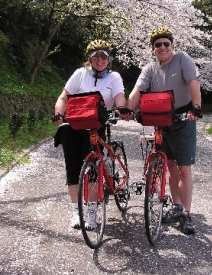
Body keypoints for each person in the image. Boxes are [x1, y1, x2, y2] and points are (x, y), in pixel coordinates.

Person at [126, 27, 202, 235]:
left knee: (184, 168)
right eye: (157, 44)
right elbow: (137, 91)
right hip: (162, 120)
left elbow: (193, 83)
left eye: (165, 44)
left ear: (172, 46)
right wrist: (127, 109)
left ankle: (186, 214)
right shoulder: (150, 69)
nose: (162, 47)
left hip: (183, 119)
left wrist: (196, 108)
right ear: (153, 49)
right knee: (169, 166)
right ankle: (176, 207)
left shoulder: (182, 59)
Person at [53, 39, 127, 229]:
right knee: (73, 169)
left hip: (96, 126)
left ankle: (92, 215)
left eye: (103, 56)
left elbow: (119, 97)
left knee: (93, 168)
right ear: (90, 59)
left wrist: (122, 109)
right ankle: (76, 213)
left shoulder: (114, 77)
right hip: (74, 126)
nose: (100, 59)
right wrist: (59, 114)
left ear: (108, 59)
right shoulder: (80, 74)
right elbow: (63, 97)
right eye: (96, 56)